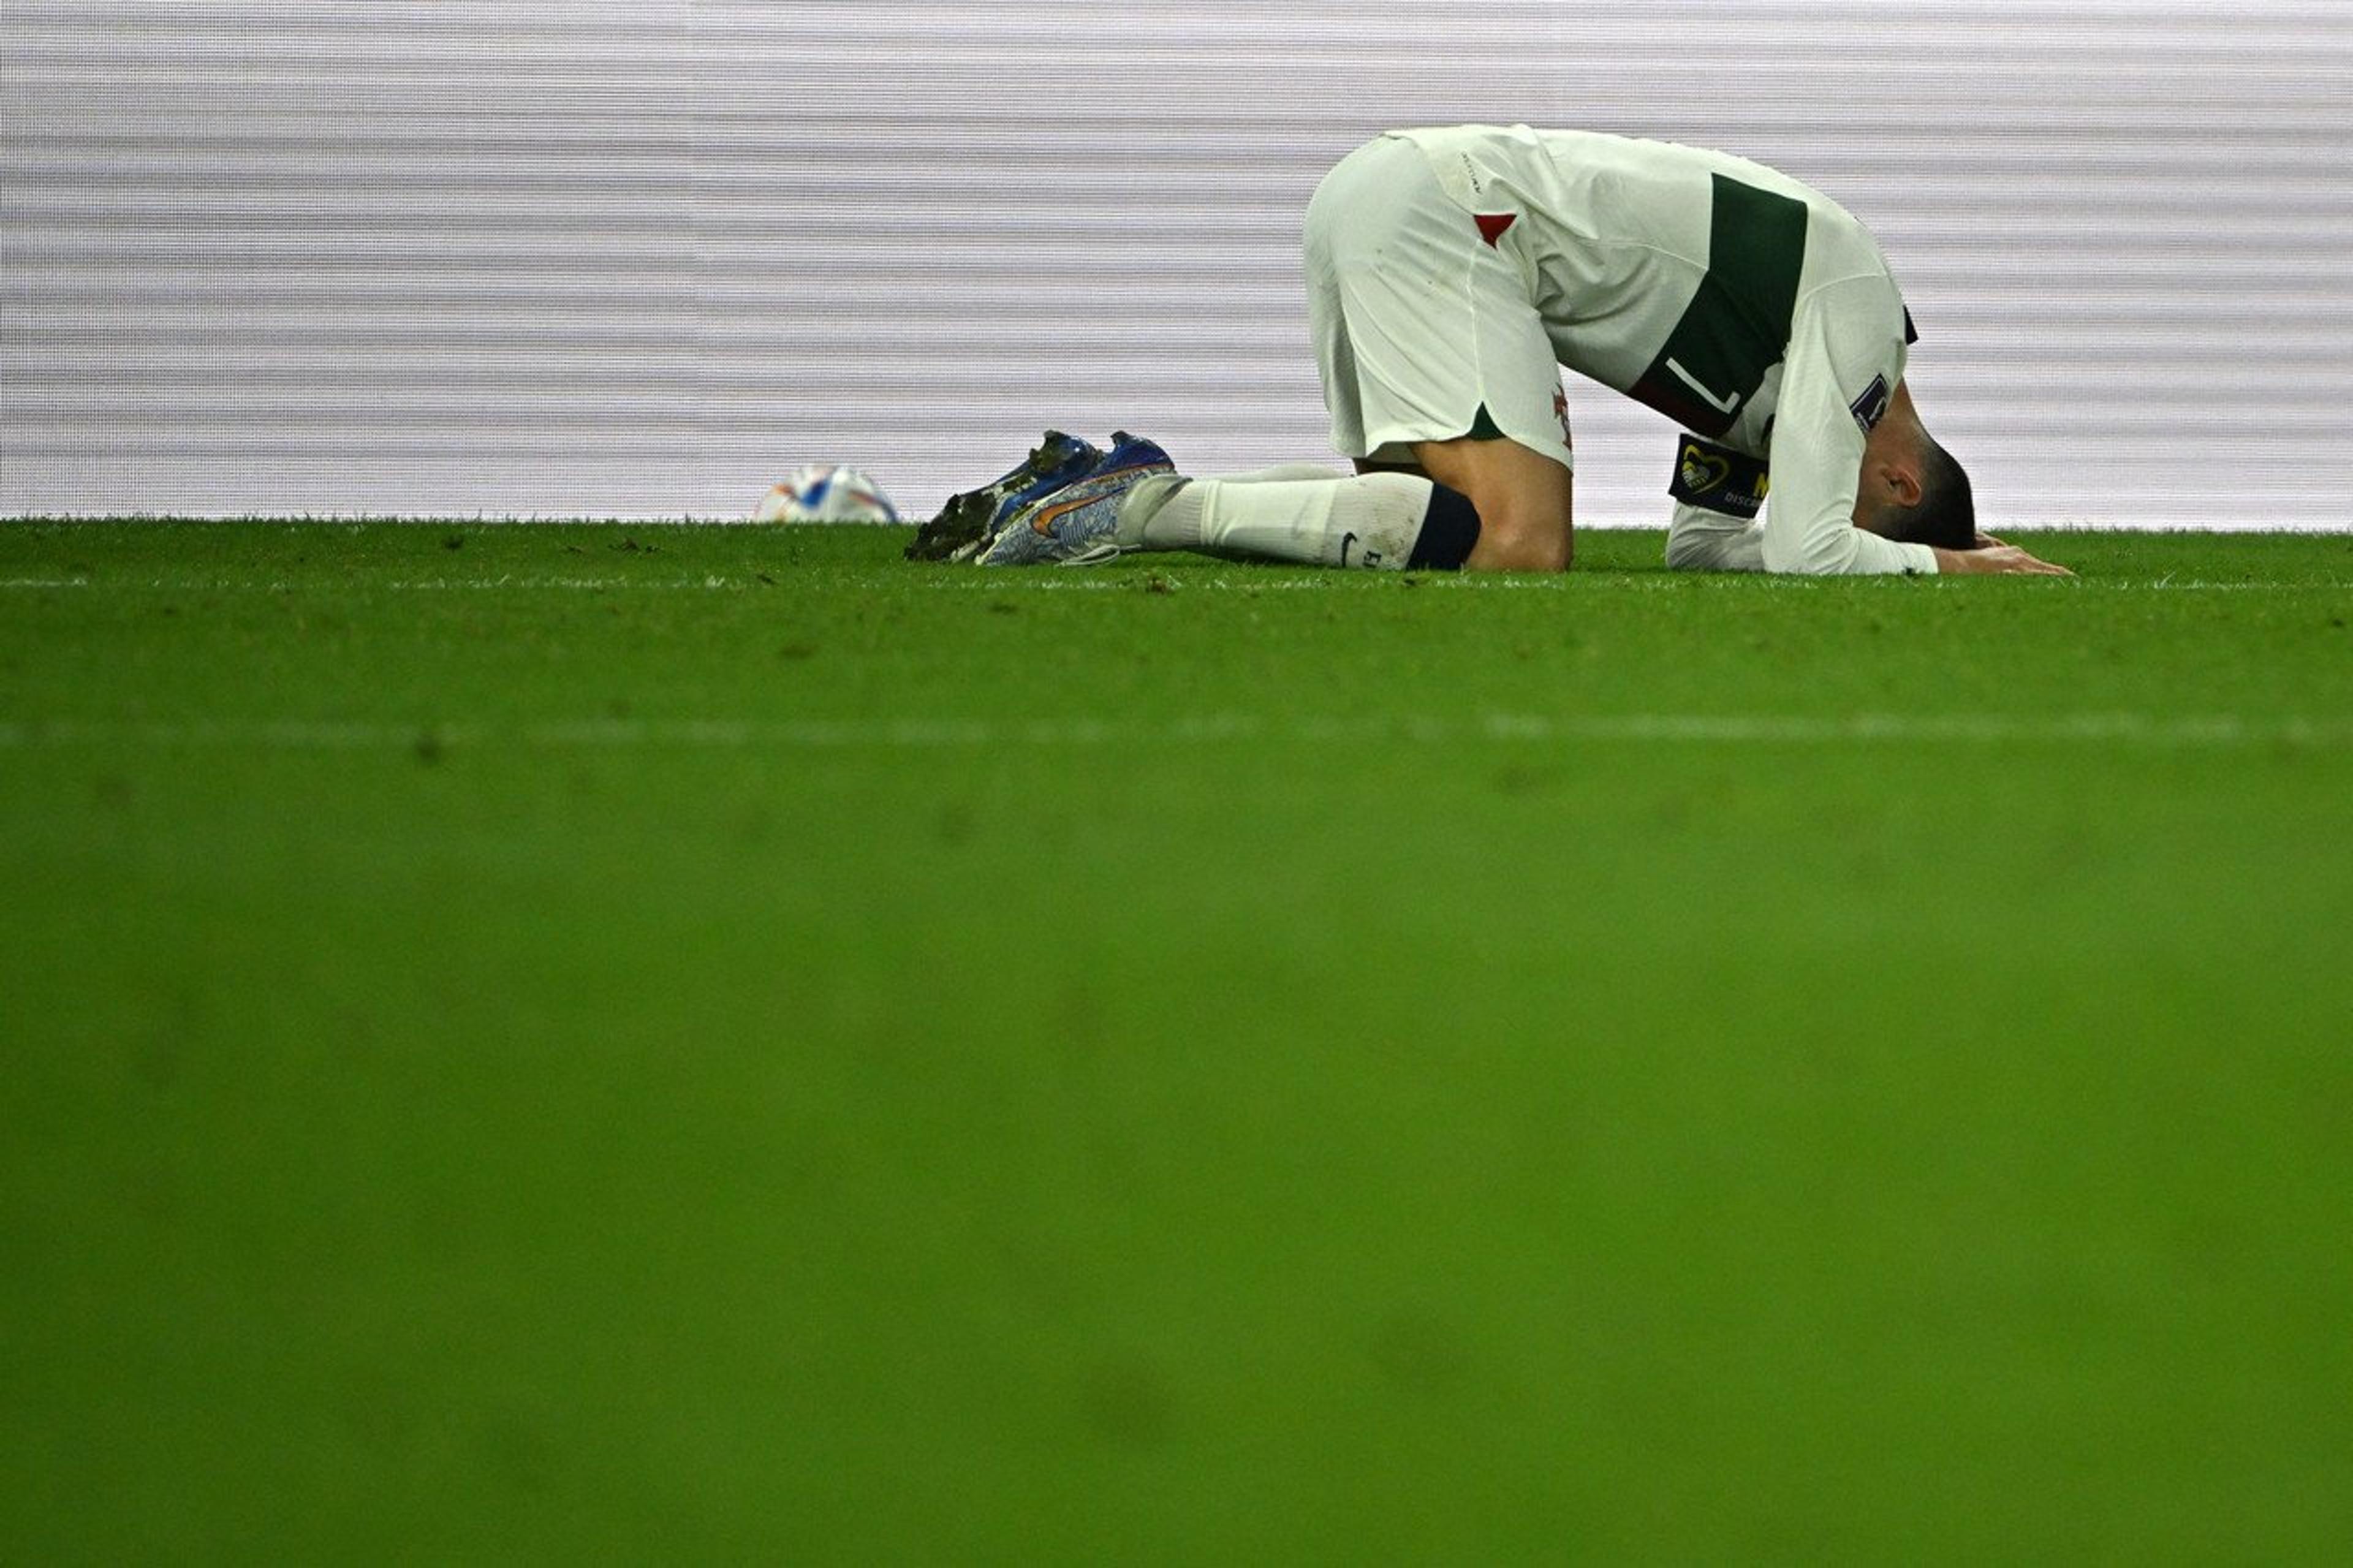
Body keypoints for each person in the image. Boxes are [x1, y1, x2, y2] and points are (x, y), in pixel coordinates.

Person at [909, 124, 2069, 577]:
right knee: (1517, 545)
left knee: (1435, 515)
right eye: (1878, 515)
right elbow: (1816, 554)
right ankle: (1135, 506)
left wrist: (1868, 553)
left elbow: (1708, 549)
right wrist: (1953, 571)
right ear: (1900, 481)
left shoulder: (1785, 379)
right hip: (1448, 217)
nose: (1825, 486)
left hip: (1407, 197)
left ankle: (1099, 487)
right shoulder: (1860, 326)